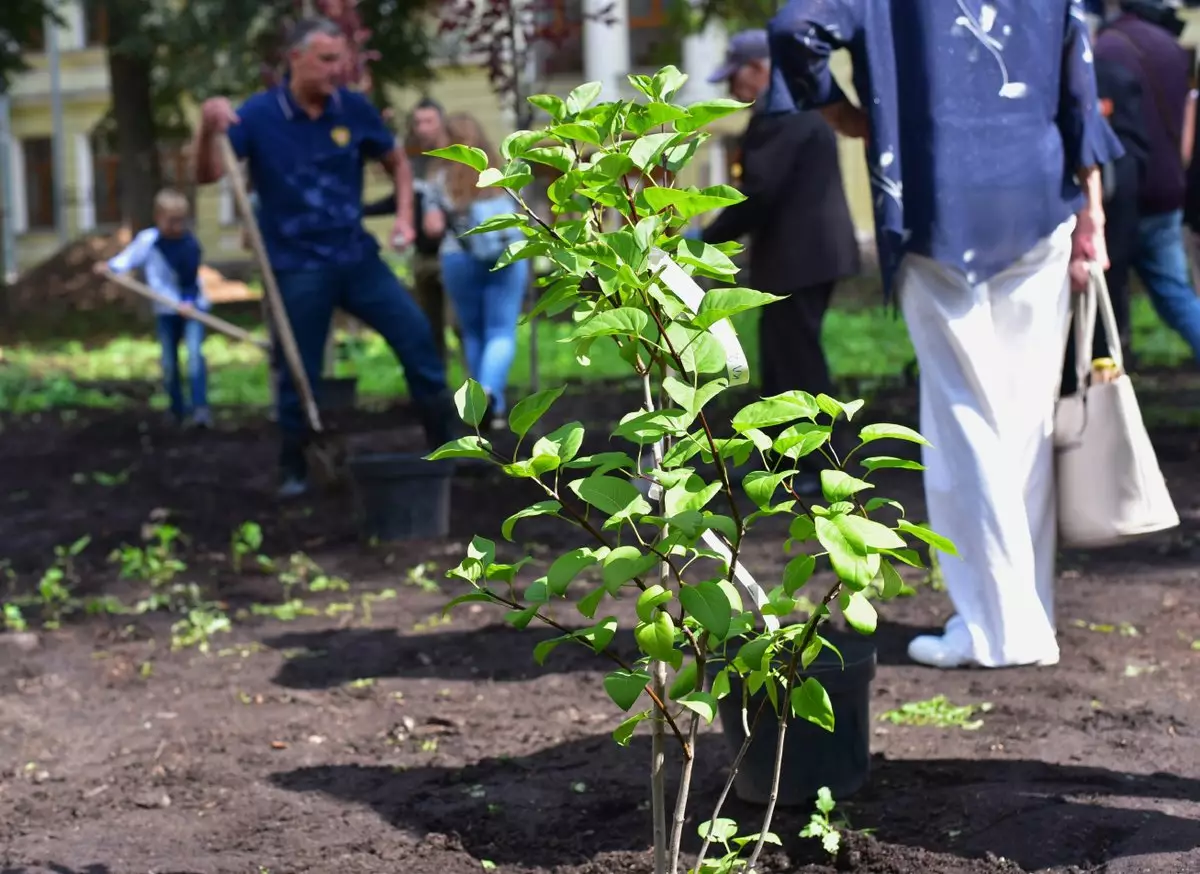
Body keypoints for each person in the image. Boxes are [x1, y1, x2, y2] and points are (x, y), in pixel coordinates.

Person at [768, 0, 1122, 669]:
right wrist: (1093, 212)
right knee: (1021, 421)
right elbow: (1079, 78)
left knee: (965, 417)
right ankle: (1025, 611)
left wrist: (839, 111)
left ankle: (999, 629)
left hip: (934, 204)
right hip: (1040, 200)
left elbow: (795, 29)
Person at [192, 16, 457, 498]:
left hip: (356, 259)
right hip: (295, 266)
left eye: (343, 59)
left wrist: (403, 218)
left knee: (417, 334)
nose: (340, 70)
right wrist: (208, 131)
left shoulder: (353, 109)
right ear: (296, 58)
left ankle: (450, 445)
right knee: (299, 369)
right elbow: (209, 174)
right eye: (328, 60)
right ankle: (295, 463)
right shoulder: (256, 115)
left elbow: (396, 162)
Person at [700, 29, 860, 493]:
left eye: (736, 77)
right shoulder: (788, 113)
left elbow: (759, 194)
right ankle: (783, 464)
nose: (732, 90)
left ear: (761, 68)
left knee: (798, 363)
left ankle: (822, 466)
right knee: (781, 358)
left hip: (802, 260)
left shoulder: (783, 117)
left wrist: (706, 237)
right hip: (802, 259)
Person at [1095, 0, 1200, 365]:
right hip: (1169, 189)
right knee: (1177, 295)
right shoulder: (1170, 45)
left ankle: (1106, 379)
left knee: (1106, 298)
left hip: (1124, 196)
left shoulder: (1107, 47)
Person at [424, 113, 529, 429]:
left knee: (473, 332)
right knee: (500, 330)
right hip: (506, 255)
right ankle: (490, 395)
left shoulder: (437, 179)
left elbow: (433, 228)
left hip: (458, 258)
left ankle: (479, 404)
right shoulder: (499, 172)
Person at [100, 189, 212, 429]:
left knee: (194, 358)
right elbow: (126, 260)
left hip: (192, 309)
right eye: (171, 220)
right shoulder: (148, 241)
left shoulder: (189, 245)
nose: (176, 226)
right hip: (165, 310)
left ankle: (201, 409)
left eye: (181, 220)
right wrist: (109, 267)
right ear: (158, 217)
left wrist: (188, 302)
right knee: (169, 363)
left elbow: (190, 280)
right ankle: (176, 411)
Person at [364, 97, 455, 364]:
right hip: (422, 255)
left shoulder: (455, 158)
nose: (422, 128)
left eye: (428, 121)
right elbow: (400, 201)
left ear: (441, 122)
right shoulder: (413, 163)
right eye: (417, 122)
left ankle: (477, 391)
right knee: (429, 326)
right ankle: (440, 389)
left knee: (460, 326)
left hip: (453, 254)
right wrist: (361, 210)